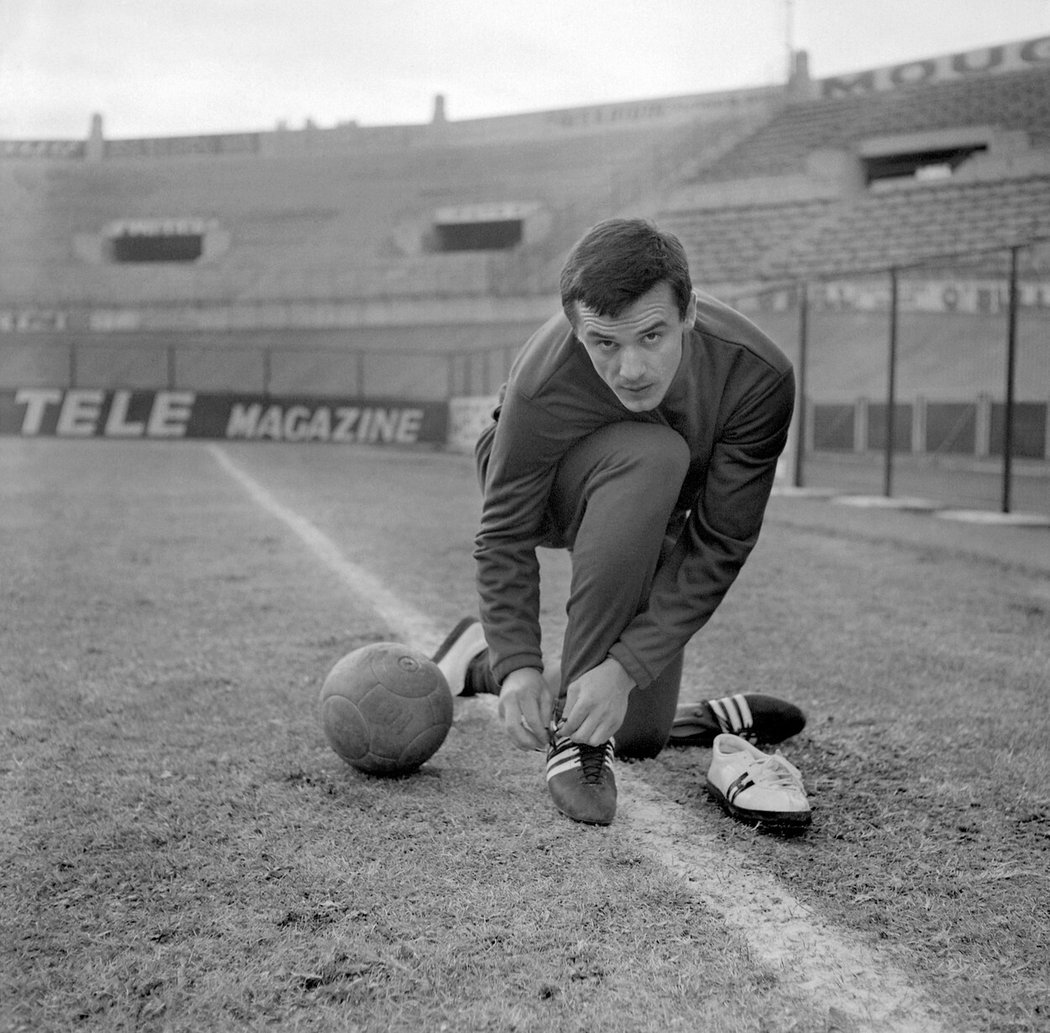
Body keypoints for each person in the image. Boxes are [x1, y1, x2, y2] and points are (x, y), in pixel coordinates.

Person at [435, 218, 808, 827]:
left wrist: (624, 671)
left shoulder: (758, 377)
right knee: (653, 454)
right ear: (578, 330)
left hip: (653, 505)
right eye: (604, 343)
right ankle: (576, 746)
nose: (631, 368)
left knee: (638, 734)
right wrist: (519, 662)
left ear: (688, 312)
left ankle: (477, 661)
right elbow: (504, 533)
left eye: (652, 336)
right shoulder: (543, 379)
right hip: (548, 489)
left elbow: (718, 543)